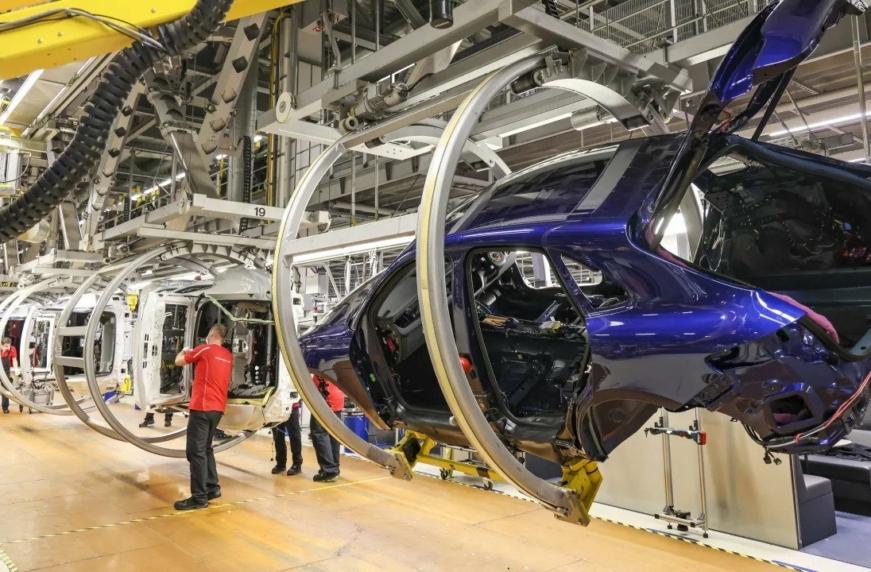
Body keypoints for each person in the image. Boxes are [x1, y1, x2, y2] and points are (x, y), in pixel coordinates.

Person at [172, 324, 233, 511]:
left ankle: (199, 497)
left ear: (212, 333)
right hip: (217, 409)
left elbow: (178, 362)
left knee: (195, 452)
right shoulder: (228, 356)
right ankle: (212, 488)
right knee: (206, 448)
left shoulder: (204, 349)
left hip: (202, 407)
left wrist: (184, 350)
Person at [310, 374, 345, 482]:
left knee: (319, 434)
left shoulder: (321, 364)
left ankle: (329, 470)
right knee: (333, 434)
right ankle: (334, 467)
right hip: (336, 397)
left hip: (326, 399)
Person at [272, 399, 303, 476]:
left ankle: (297, 463)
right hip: (276, 406)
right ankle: (280, 463)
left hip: (292, 406)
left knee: (294, 435)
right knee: (277, 435)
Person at [1, 337, 19, 414]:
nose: (8, 347)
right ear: (1, 345)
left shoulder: (12, 349)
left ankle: (5, 407)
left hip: (6, 370)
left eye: (8, 345)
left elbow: (14, 359)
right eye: (6, 346)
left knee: (6, 388)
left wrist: (16, 369)